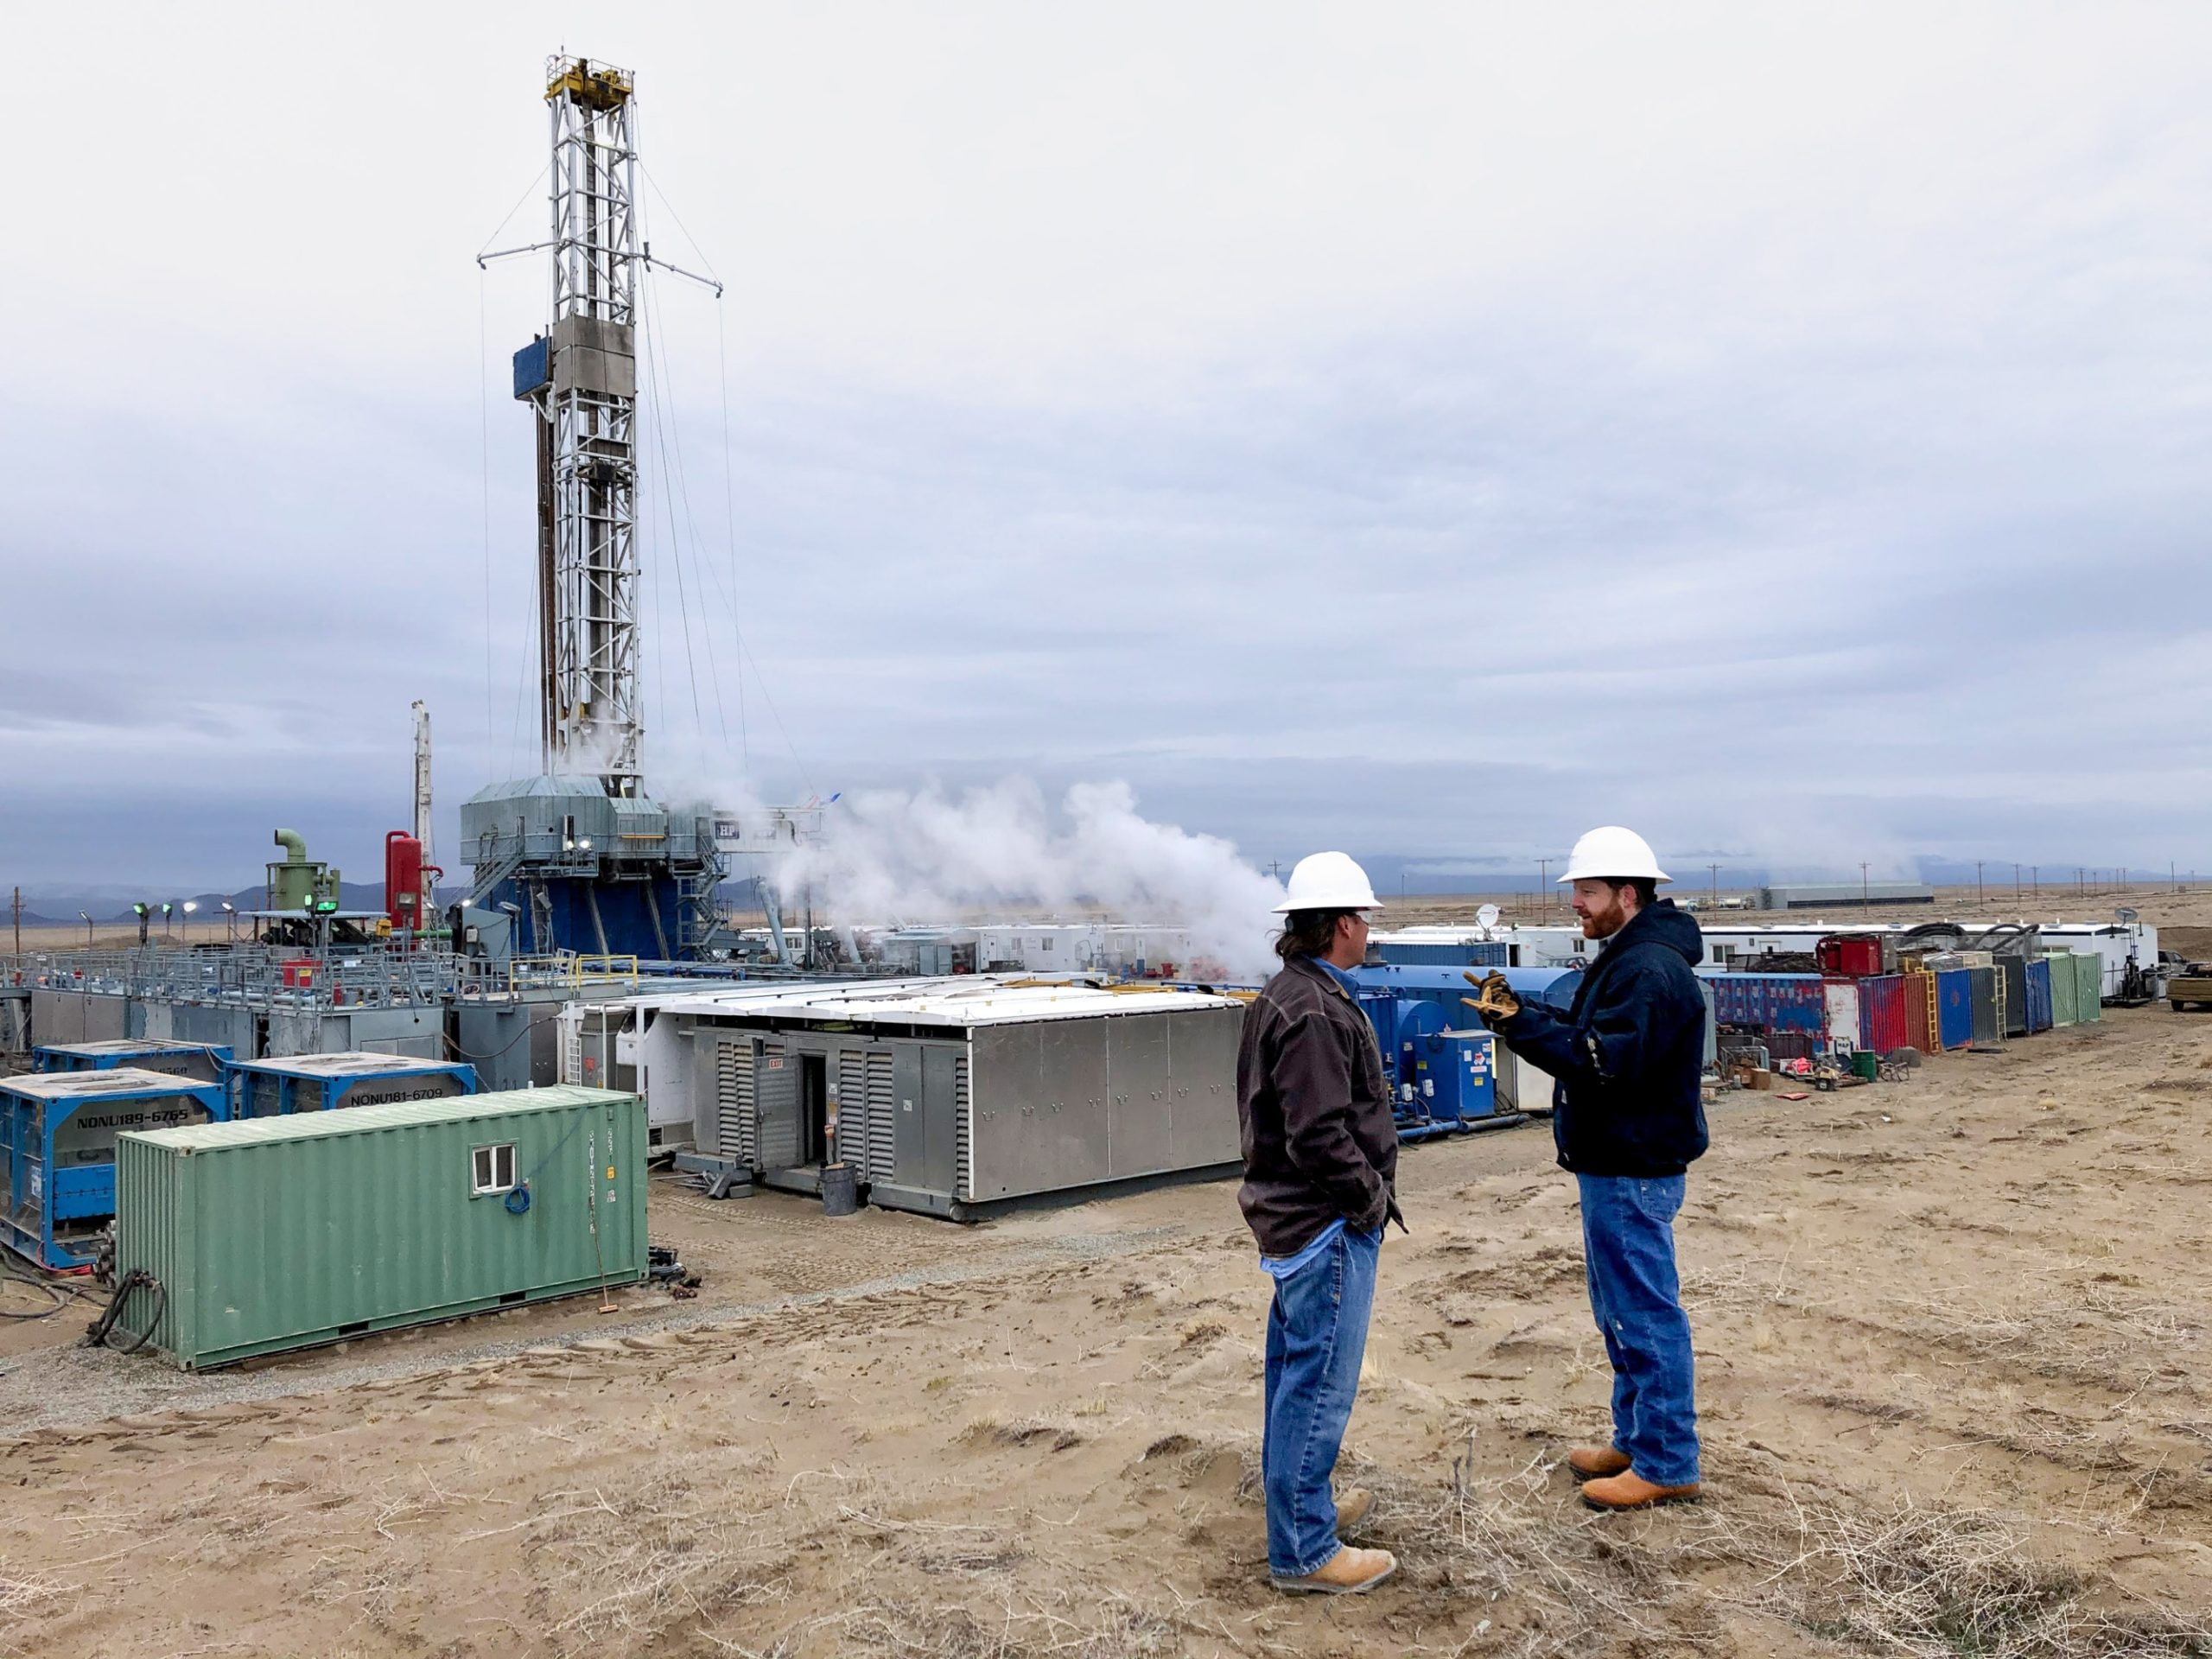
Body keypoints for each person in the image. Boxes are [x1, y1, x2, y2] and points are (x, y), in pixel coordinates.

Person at [1467, 826, 1709, 1510]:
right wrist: (1520, 1011)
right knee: (1620, 1311)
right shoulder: (1628, 958)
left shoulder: (1648, 970)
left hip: (1631, 1165)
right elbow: (1586, 1034)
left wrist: (1521, 1027)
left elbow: (1602, 1061)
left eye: (1587, 890)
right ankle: (1637, 1439)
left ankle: (1667, 1459)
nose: (1575, 901)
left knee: (1644, 1313)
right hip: (1616, 1162)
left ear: (1627, 894)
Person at [1236, 850, 1402, 1593]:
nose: (1368, 931)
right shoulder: (1312, 1011)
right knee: (1317, 1385)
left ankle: (1305, 1511)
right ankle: (1304, 1548)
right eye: (1363, 917)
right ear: (1340, 924)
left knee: (1294, 1377)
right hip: (1324, 1226)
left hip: (1298, 1222)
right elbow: (1317, 1135)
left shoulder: (1291, 993)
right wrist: (1367, 1202)